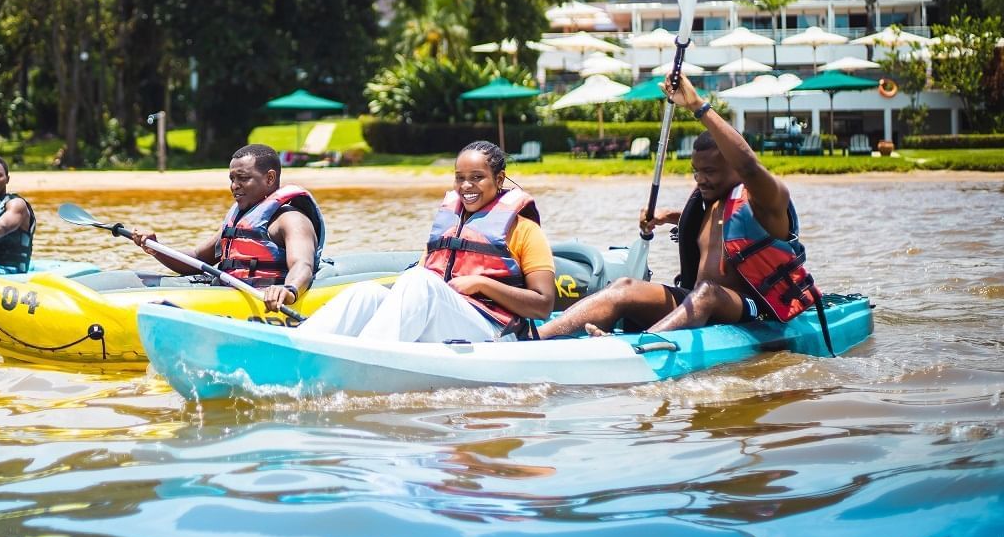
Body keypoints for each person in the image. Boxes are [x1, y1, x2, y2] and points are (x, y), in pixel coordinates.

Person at [537, 72, 821, 339]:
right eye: (696, 171)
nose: (701, 179)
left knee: (708, 292)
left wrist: (697, 105)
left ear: (733, 168)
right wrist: (666, 217)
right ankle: (535, 339)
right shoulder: (708, 203)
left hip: (754, 310)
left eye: (710, 172)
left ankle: (639, 348)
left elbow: (749, 166)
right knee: (624, 287)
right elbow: (715, 231)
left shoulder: (768, 200)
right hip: (697, 301)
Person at [300, 141, 556, 342]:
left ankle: (367, 358)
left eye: (477, 177)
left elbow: (543, 305)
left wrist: (482, 284)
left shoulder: (525, 231)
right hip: (446, 320)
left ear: (499, 180)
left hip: (495, 331)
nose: (466, 186)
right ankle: (300, 345)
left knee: (419, 281)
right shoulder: (450, 225)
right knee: (366, 293)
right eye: (460, 177)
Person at [130, 143, 323, 313]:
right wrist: (156, 248)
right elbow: (197, 258)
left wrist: (289, 290)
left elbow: (302, 264)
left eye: (243, 178)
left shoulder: (292, 220)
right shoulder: (240, 218)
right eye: (232, 179)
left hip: (264, 296)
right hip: (226, 291)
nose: (234, 186)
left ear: (270, 178)